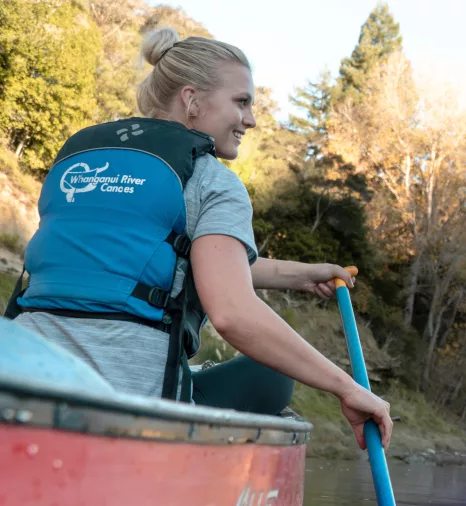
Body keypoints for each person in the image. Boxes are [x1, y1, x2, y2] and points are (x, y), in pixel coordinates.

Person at [3, 27, 391, 451]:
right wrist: (348, 388)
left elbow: (170, 262)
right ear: (192, 99)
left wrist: (302, 274)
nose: (251, 119)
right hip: (131, 395)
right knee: (271, 377)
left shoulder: (81, 161)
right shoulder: (212, 181)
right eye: (241, 102)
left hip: (23, 369)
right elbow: (232, 312)